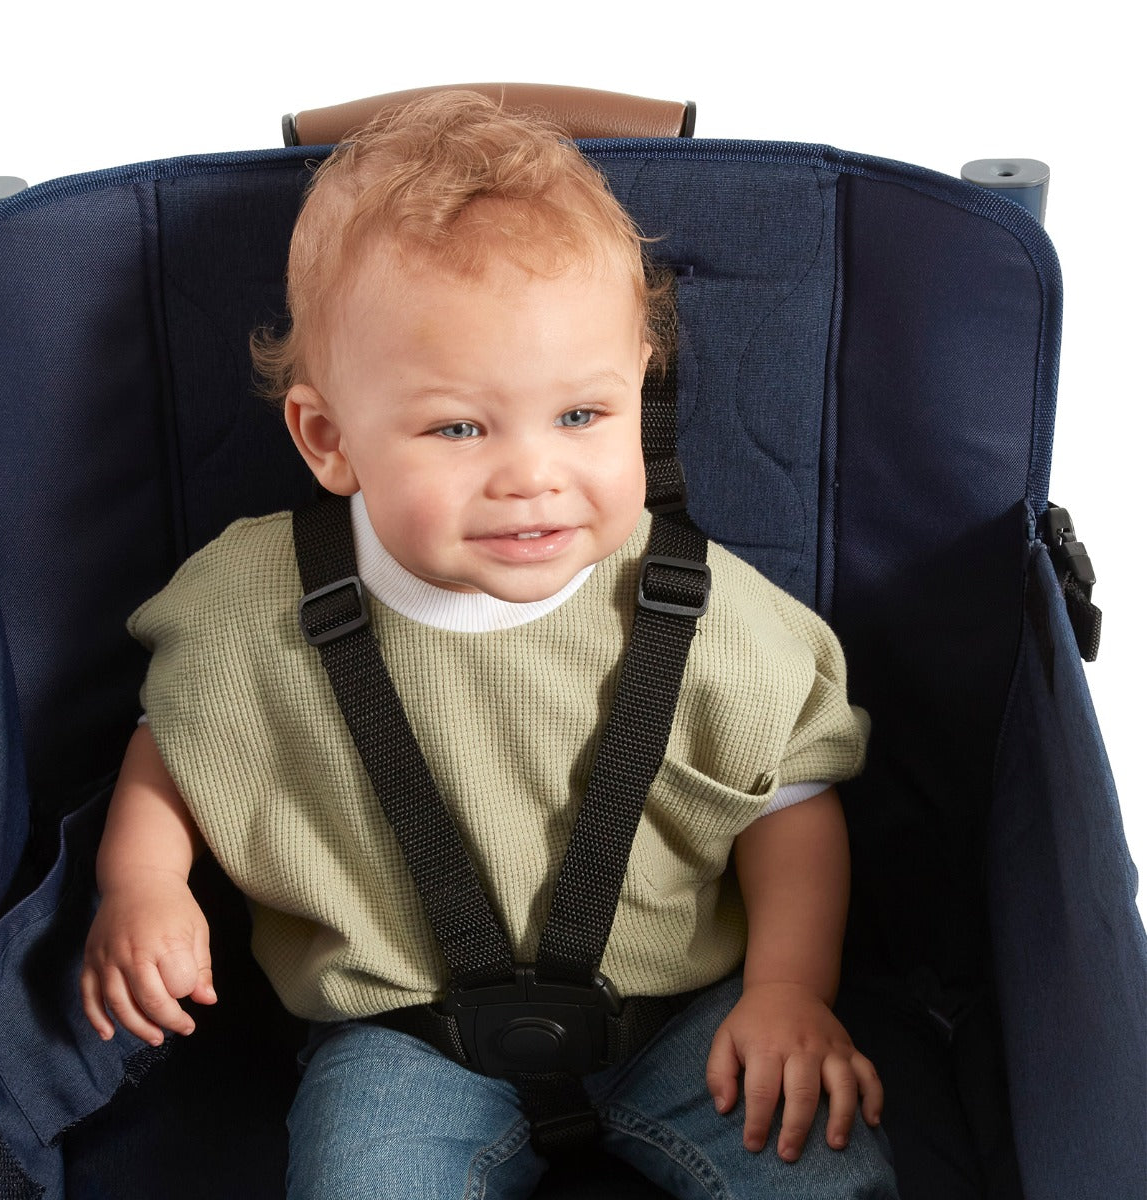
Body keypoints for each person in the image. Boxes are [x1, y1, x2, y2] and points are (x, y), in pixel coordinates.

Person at [79, 91, 898, 1199]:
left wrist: (788, 992)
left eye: (581, 416)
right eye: (459, 427)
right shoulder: (248, 607)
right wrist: (142, 884)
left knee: (823, 1165)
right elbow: (177, 741)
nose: (532, 475)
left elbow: (789, 801)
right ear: (328, 438)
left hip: (688, 1015)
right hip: (401, 1035)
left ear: (640, 387)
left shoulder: (709, 613)